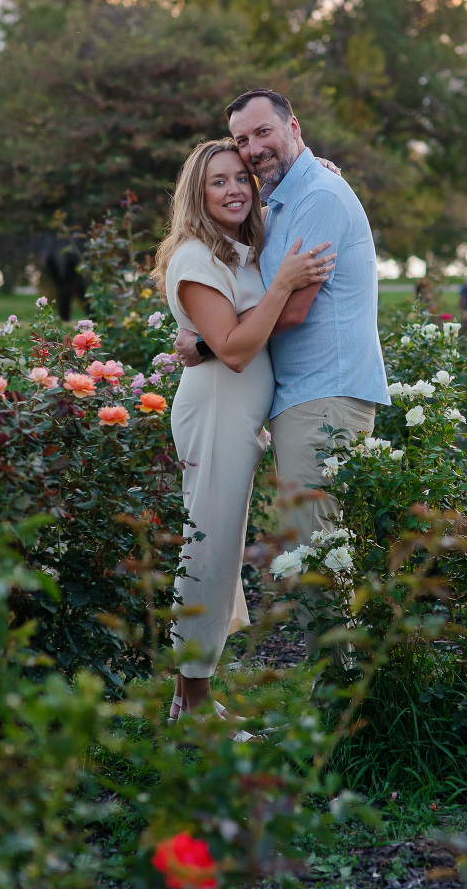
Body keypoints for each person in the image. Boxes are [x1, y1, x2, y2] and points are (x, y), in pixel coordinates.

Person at [175, 89, 390, 662]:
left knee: (316, 553)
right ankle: (337, 696)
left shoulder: (315, 196)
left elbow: (292, 310)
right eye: (243, 140)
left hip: (325, 393)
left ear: (294, 126)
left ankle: (338, 706)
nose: (252, 150)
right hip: (298, 399)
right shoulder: (287, 197)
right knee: (313, 549)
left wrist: (205, 341)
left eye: (263, 133)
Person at [151, 138, 336, 735]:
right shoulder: (194, 258)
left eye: (240, 178)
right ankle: (198, 707)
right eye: (218, 182)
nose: (234, 189)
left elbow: (227, 335)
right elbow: (232, 350)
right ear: (196, 195)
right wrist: (282, 284)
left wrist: (322, 173)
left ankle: (187, 702)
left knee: (220, 549)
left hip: (236, 419)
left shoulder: (238, 250)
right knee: (208, 548)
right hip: (213, 413)